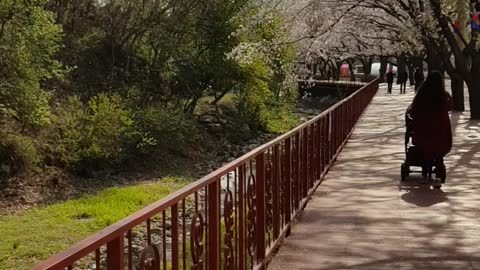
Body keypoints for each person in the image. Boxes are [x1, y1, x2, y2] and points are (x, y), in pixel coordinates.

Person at [407, 71, 453, 183]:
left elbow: (413, 112)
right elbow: (450, 106)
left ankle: (425, 169)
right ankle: (437, 167)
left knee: (424, 144)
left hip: (422, 138)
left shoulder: (421, 95)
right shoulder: (444, 96)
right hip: (441, 139)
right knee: (438, 145)